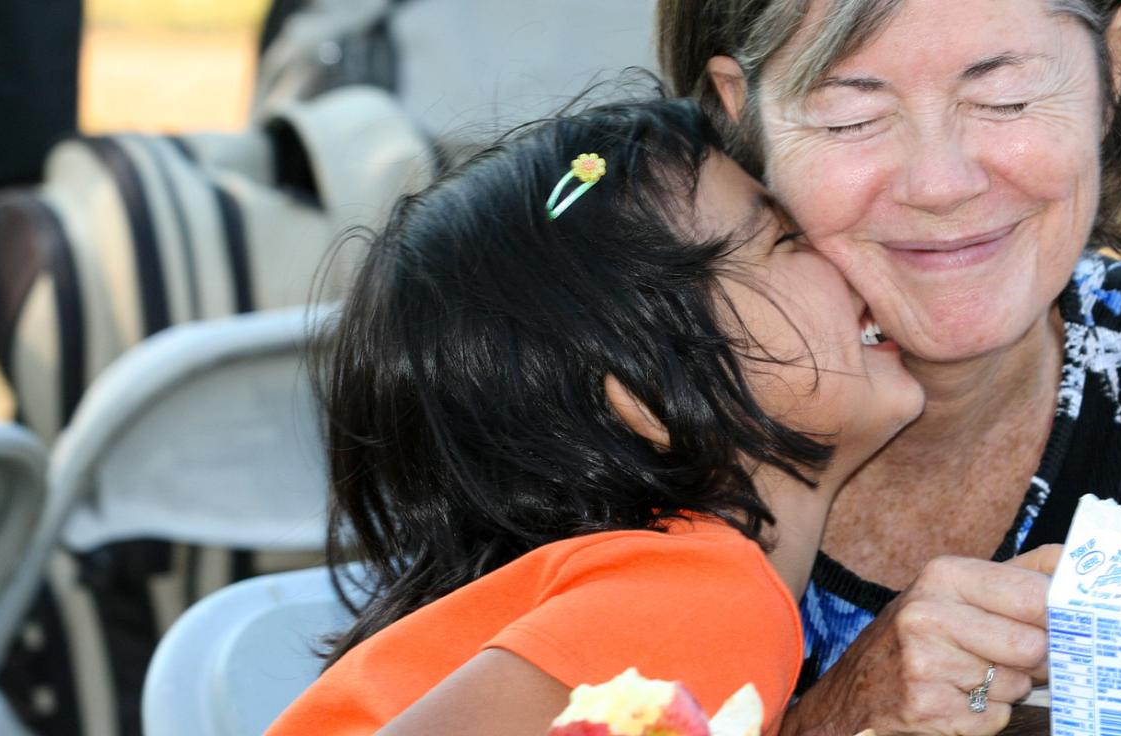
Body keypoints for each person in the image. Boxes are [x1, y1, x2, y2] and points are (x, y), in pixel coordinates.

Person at [657, 0, 1121, 732]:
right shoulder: (614, 400)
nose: (940, 183)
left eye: (1005, 98)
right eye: (849, 116)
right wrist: (834, 720)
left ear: (1114, 67)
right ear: (745, 114)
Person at [266, 97, 925, 735]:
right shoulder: (699, 599)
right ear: (652, 399)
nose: (836, 248)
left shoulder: (655, 588)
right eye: (784, 237)